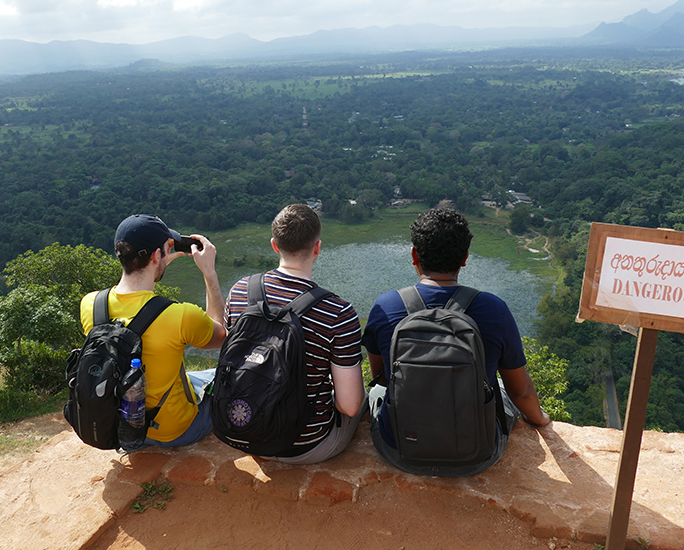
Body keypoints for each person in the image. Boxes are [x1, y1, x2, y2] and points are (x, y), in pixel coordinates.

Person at [362, 206, 551, 476]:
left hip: (400, 451)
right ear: (465, 258)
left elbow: (381, 375)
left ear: (414, 255)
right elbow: (520, 391)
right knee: (497, 386)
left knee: (378, 393)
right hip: (476, 455)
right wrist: (542, 421)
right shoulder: (493, 309)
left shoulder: (386, 305)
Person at [223, 204, 366, 464]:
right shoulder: (338, 311)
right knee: (363, 398)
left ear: (274, 245)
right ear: (317, 248)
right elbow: (349, 406)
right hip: (306, 446)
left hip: (243, 429)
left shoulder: (240, 290)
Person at [80, 214, 226, 448]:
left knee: (193, 378)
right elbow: (220, 336)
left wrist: (158, 262)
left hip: (123, 430)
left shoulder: (91, 305)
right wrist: (209, 272)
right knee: (222, 376)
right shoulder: (180, 315)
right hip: (174, 431)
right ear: (157, 255)